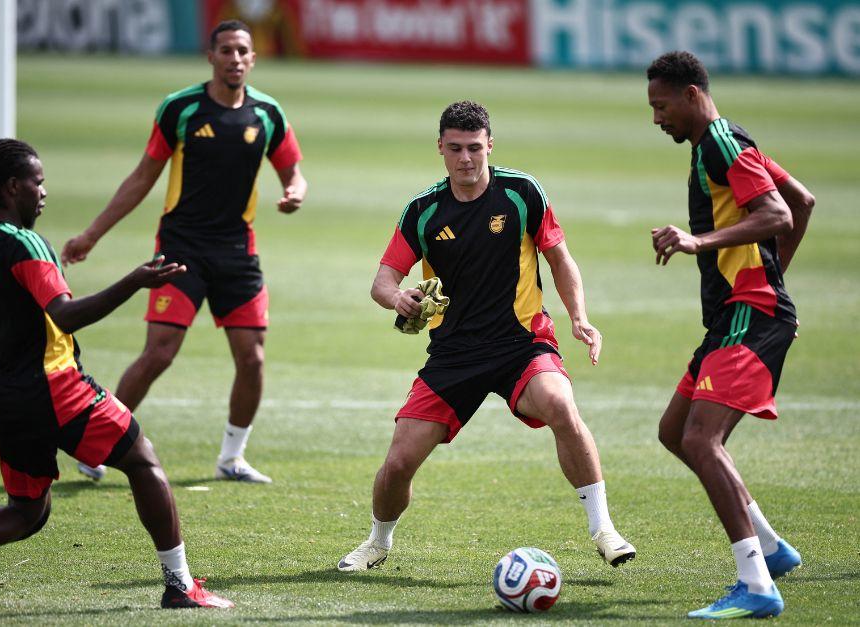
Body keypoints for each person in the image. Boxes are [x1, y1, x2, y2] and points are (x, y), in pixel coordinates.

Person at [0, 139, 233, 610]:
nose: (44, 191)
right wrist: (135, 280)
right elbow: (64, 315)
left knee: (28, 511)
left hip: (3, 402)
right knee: (143, 461)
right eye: (37, 181)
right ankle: (179, 585)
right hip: (56, 388)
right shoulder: (23, 243)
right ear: (11, 187)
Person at [337, 101, 636, 572]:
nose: (466, 159)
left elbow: (559, 258)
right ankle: (377, 541)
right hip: (453, 356)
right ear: (440, 148)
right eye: (455, 148)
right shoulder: (424, 210)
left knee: (560, 404)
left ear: (490, 146)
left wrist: (579, 317)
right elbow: (382, 282)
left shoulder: (522, 193)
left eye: (475, 148)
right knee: (398, 464)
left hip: (522, 345)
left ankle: (604, 530)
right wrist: (398, 299)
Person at [61, 19, 307, 484]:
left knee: (252, 358)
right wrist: (92, 235)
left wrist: (295, 191)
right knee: (159, 353)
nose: (236, 59)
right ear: (210, 57)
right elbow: (141, 178)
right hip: (181, 249)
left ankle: (232, 457)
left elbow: (294, 171)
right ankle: (94, 446)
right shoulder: (180, 109)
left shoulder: (268, 114)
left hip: (237, 252)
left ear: (253, 59)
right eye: (227, 50)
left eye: (243, 51)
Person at [646, 51, 814, 619]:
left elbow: (777, 214)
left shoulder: (720, 141)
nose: (656, 118)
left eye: (661, 105)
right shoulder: (726, 141)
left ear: (692, 94)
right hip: (738, 313)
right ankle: (771, 547)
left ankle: (758, 584)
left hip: (749, 313)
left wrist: (701, 244)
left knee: (700, 439)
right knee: (675, 430)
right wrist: (772, 278)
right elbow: (802, 199)